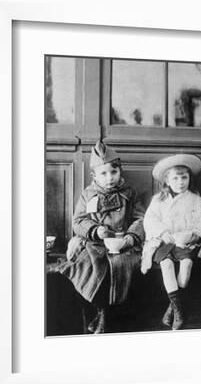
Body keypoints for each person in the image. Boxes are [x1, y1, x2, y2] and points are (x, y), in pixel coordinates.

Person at [54, 141, 145, 334]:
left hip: (123, 244)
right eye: (103, 174)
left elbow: (140, 218)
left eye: (114, 172)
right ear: (94, 175)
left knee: (119, 266)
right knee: (90, 266)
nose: (109, 178)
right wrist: (95, 230)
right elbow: (78, 221)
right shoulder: (88, 194)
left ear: (120, 172)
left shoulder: (129, 193)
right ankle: (101, 311)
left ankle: (106, 315)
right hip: (94, 243)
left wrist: (130, 237)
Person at [141, 154, 201, 330]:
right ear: (167, 181)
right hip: (163, 241)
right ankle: (179, 311)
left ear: (189, 179)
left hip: (185, 242)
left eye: (184, 177)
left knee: (186, 265)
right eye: (175, 178)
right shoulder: (158, 200)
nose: (180, 182)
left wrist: (194, 234)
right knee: (167, 265)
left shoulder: (195, 199)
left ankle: (172, 307)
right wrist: (162, 232)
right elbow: (150, 220)